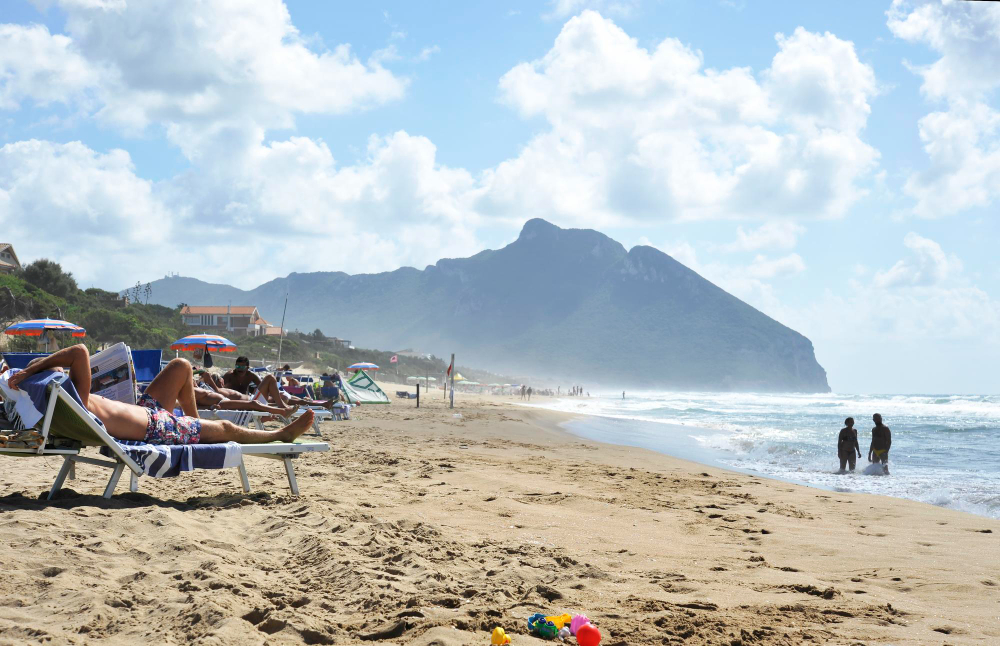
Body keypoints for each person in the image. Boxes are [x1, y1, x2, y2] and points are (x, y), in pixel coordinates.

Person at [6, 344, 313, 445]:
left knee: (180, 366)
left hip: (146, 411)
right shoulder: (75, 397)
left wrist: (31, 372)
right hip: (153, 426)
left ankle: (195, 430)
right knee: (227, 428)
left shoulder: (63, 398)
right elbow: (79, 352)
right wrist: (33, 369)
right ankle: (278, 437)